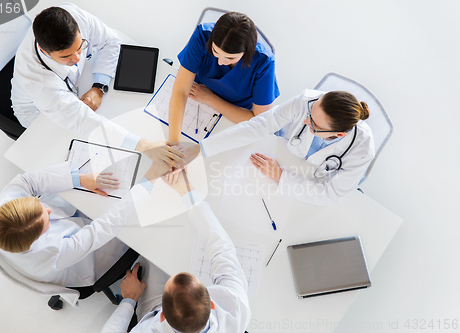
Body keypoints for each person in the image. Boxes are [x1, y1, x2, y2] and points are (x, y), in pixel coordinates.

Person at [11, 3, 182, 167]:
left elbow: (111, 41)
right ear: (44, 50)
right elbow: (85, 122)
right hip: (37, 115)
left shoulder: (72, 16)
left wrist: (99, 86)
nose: (78, 59)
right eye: (66, 56)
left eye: (80, 48)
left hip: (74, 88)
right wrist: (144, 146)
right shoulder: (39, 82)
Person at [101, 173, 251, 333]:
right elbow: (221, 246)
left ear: (162, 316)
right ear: (211, 304)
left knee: (152, 243)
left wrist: (129, 300)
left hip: (153, 306)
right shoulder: (235, 307)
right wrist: (188, 192)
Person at [0, 161, 166, 287]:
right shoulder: (53, 254)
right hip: (89, 259)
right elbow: (105, 227)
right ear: (40, 236)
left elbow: (27, 181)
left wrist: (78, 179)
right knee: (145, 221)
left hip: (72, 224)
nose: (48, 210)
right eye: (47, 220)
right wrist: (148, 180)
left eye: (40, 205)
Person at [183, 89, 375, 206]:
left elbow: (330, 194)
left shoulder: (362, 149)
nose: (306, 119)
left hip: (301, 183)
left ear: (339, 134)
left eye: (314, 124)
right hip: (281, 154)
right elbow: (259, 125)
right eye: (310, 111)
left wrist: (282, 177)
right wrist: (202, 149)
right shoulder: (306, 101)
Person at [168, 11, 280, 144]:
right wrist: (174, 144)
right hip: (197, 98)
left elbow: (260, 121)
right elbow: (180, 90)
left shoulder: (264, 62)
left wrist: (210, 98)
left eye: (230, 58)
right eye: (215, 51)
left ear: (247, 51)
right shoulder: (202, 35)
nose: (220, 62)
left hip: (234, 113)